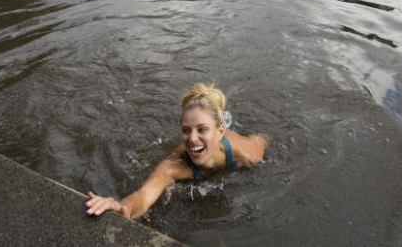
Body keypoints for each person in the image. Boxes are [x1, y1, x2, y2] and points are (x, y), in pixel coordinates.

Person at [85, 83, 269, 220]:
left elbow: (264, 140)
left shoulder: (245, 152)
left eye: (202, 129)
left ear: (220, 131)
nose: (192, 139)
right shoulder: (173, 166)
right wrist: (121, 207)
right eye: (186, 130)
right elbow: (144, 195)